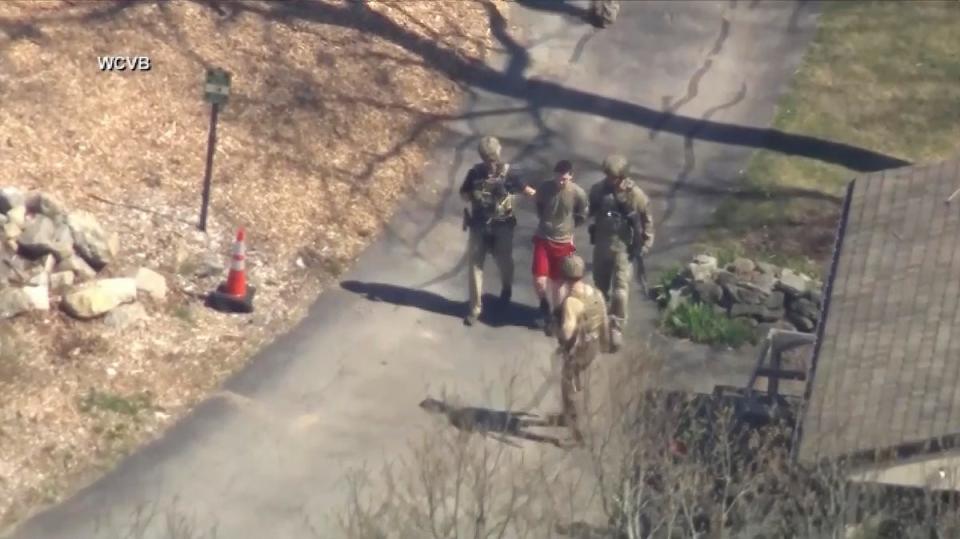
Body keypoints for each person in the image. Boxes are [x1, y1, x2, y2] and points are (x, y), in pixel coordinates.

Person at [459, 136, 536, 326]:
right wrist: (473, 194)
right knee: (475, 267)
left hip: (502, 227)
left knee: (505, 262)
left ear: (498, 155)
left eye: (492, 159)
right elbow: (463, 194)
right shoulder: (474, 173)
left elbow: (529, 191)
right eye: (487, 159)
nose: (490, 163)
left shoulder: (510, 174)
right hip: (478, 226)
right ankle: (475, 308)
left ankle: (506, 287)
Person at [588, 154, 655, 351]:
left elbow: (647, 221)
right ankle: (599, 323)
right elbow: (588, 210)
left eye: (614, 177)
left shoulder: (636, 195)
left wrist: (645, 244)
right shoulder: (599, 190)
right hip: (602, 244)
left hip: (623, 248)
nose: (610, 180)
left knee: (620, 291)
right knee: (599, 289)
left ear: (623, 176)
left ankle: (616, 325)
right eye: (608, 176)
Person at [554, 254, 610, 445]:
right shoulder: (596, 294)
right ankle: (566, 416)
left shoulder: (571, 302)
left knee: (570, 386)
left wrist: (559, 333)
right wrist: (605, 343)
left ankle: (577, 433)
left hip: (578, 348)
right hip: (592, 345)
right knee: (576, 381)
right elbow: (604, 319)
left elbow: (567, 332)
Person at [533, 159, 589, 335]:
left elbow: (582, 214)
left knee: (558, 284)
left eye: (564, 179)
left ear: (571, 176)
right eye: (558, 178)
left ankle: (555, 317)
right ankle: (543, 302)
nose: (561, 181)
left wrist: (570, 228)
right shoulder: (545, 188)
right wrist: (544, 221)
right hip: (543, 237)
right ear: (554, 175)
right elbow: (539, 205)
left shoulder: (577, 193)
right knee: (539, 279)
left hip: (563, 242)